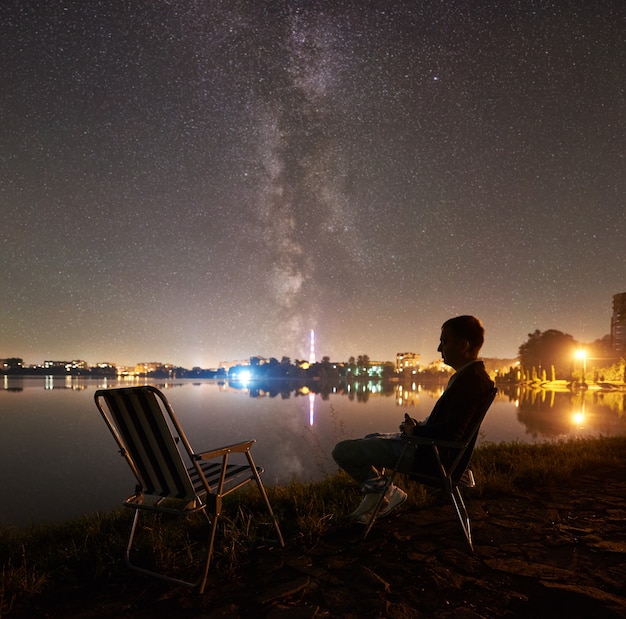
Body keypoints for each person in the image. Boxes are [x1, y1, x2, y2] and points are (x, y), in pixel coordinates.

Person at [332, 315, 495, 524]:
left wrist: (415, 433)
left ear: (463, 345)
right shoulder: (471, 376)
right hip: (432, 451)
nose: (439, 348)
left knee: (343, 450)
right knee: (370, 438)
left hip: (430, 458)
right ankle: (378, 497)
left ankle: (385, 493)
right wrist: (419, 426)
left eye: (444, 341)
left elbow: (452, 434)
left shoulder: (471, 382)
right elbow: (452, 426)